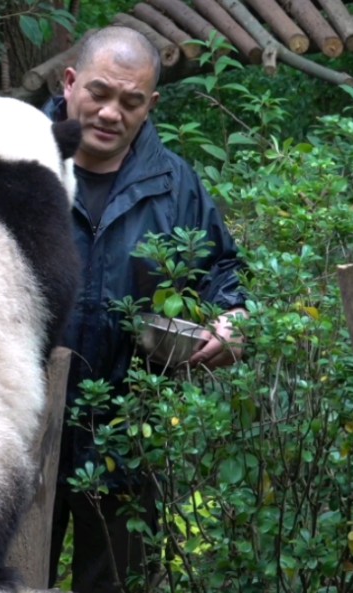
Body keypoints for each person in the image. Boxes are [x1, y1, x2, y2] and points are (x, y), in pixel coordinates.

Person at [44, 26, 248, 592]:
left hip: (126, 435)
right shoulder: (17, 158)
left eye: (131, 102)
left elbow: (225, 272)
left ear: (151, 104)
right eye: (100, 93)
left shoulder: (174, 182)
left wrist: (234, 320)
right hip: (13, 427)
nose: (111, 113)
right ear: (69, 82)